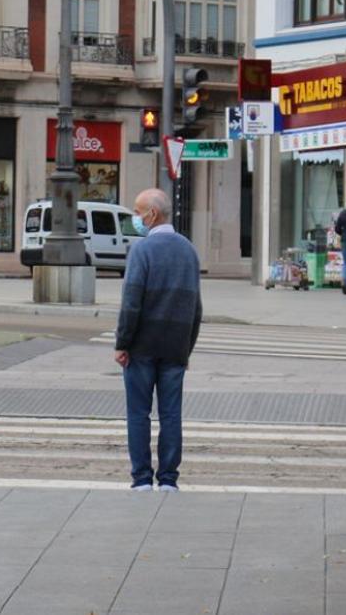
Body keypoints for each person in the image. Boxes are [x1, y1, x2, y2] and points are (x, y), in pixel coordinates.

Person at [114, 188, 202, 492]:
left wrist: (122, 343)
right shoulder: (189, 250)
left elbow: (131, 303)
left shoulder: (142, 251)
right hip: (174, 347)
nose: (136, 218)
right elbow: (196, 307)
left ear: (152, 214)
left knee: (138, 413)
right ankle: (168, 479)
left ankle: (141, 479)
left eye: (138, 212)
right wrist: (185, 348)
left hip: (141, 346)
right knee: (170, 414)